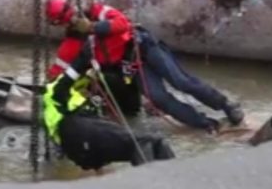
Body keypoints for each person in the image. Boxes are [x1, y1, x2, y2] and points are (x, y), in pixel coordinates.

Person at [45, 0, 245, 133]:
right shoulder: (73, 46)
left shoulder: (96, 11)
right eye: (65, 17)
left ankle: (226, 105)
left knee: (180, 81)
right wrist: (49, 90)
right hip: (133, 66)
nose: (71, 18)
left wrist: (94, 27)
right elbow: (61, 73)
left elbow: (121, 23)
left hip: (144, 48)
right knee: (159, 98)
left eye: (69, 12)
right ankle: (204, 124)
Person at [43, 71, 175, 171]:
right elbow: (73, 74)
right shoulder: (60, 90)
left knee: (156, 141)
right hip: (77, 129)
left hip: (83, 134)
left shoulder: (84, 95)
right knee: (141, 142)